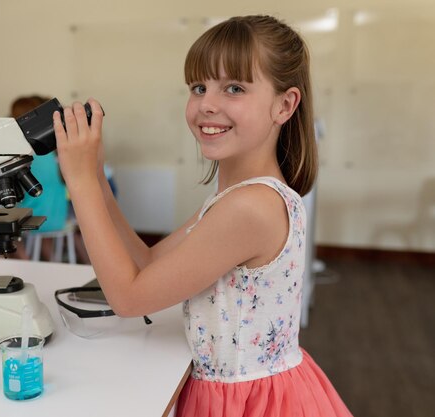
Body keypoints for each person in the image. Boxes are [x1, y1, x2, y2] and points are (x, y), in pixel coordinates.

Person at [53, 15, 352, 417]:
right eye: (199, 87)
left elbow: (127, 298)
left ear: (285, 105)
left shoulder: (250, 208)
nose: (207, 104)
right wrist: (96, 179)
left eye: (234, 88)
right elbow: (148, 263)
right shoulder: (237, 196)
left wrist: (79, 182)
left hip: (247, 402)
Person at [11, 95, 69, 261]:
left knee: (3, 224)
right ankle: (51, 264)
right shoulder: (51, 149)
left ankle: (25, 261)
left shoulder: (23, 151)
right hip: (58, 216)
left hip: (37, 218)